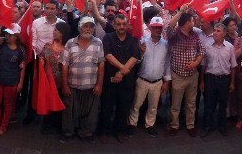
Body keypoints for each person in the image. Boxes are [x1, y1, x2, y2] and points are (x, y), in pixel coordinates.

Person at [60, 17, 105, 143]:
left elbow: (101, 64)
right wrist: (65, 85)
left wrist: (99, 84)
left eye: (91, 26)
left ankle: (86, 133)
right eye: (86, 26)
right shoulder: (70, 43)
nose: (88, 29)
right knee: (69, 111)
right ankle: (68, 132)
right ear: (80, 28)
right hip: (72, 84)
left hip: (91, 85)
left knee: (90, 112)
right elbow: (64, 65)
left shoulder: (98, 43)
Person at [98, 14, 141, 143]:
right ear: (114, 25)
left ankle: (119, 130)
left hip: (127, 81)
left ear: (127, 25)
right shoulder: (108, 37)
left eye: (123, 24)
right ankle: (104, 131)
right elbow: (108, 55)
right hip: (110, 80)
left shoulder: (133, 39)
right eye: (118, 24)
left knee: (124, 107)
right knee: (107, 107)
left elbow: (135, 57)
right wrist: (123, 68)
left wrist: (121, 73)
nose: (121, 27)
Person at [165, 9, 205, 137]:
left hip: (193, 75)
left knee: (191, 103)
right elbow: (169, 26)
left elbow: (202, 51)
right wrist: (181, 12)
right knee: (176, 104)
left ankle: (190, 125)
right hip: (178, 75)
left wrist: (196, 63)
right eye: (193, 21)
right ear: (187, 22)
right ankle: (174, 125)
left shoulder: (194, 35)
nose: (195, 22)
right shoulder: (174, 34)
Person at [127, 16, 170, 136]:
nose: (157, 30)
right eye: (155, 27)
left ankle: (150, 125)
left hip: (157, 82)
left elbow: (167, 63)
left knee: (153, 107)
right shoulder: (142, 42)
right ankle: (132, 124)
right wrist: (140, 52)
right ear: (150, 27)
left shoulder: (166, 45)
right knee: (136, 105)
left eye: (160, 28)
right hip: (142, 80)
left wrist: (167, 81)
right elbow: (136, 62)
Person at [200, 21, 237, 136]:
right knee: (209, 104)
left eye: (218, 31)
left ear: (224, 33)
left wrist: (232, 82)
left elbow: (233, 66)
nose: (215, 33)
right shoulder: (207, 46)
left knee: (223, 104)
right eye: (215, 30)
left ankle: (222, 126)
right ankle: (207, 126)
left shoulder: (230, 47)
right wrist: (202, 81)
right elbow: (203, 65)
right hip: (210, 78)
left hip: (224, 79)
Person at [0, 25, 27, 135]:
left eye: (10, 35)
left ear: (16, 36)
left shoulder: (21, 50)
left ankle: (4, 125)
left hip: (12, 81)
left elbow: (22, 67)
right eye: (7, 34)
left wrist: (20, 82)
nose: (7, 36)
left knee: (8, 104)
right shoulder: (2, 44)